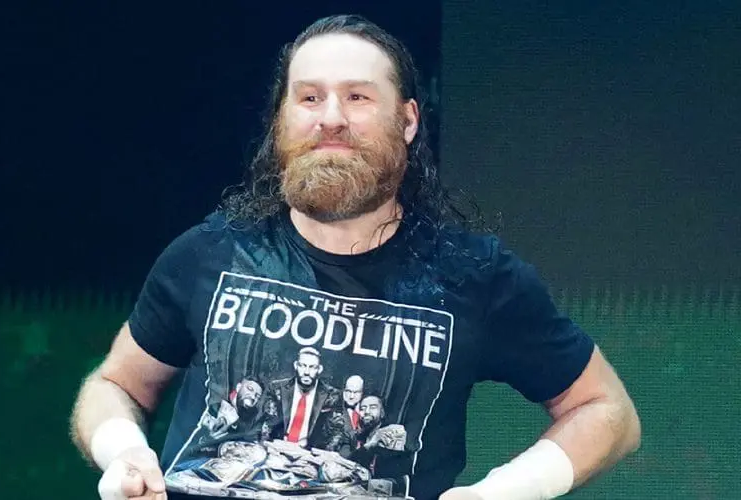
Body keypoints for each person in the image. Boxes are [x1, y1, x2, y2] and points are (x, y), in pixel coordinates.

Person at [69, 13, 641, 500]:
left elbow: (606, 411)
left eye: (358, 97)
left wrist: (502, 491)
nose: (331, 118)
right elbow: (116, 386)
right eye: (309, 97)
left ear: (408, 121)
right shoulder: (209, 252)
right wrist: (123, 452)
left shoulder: (474, 276)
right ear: (283, 120)